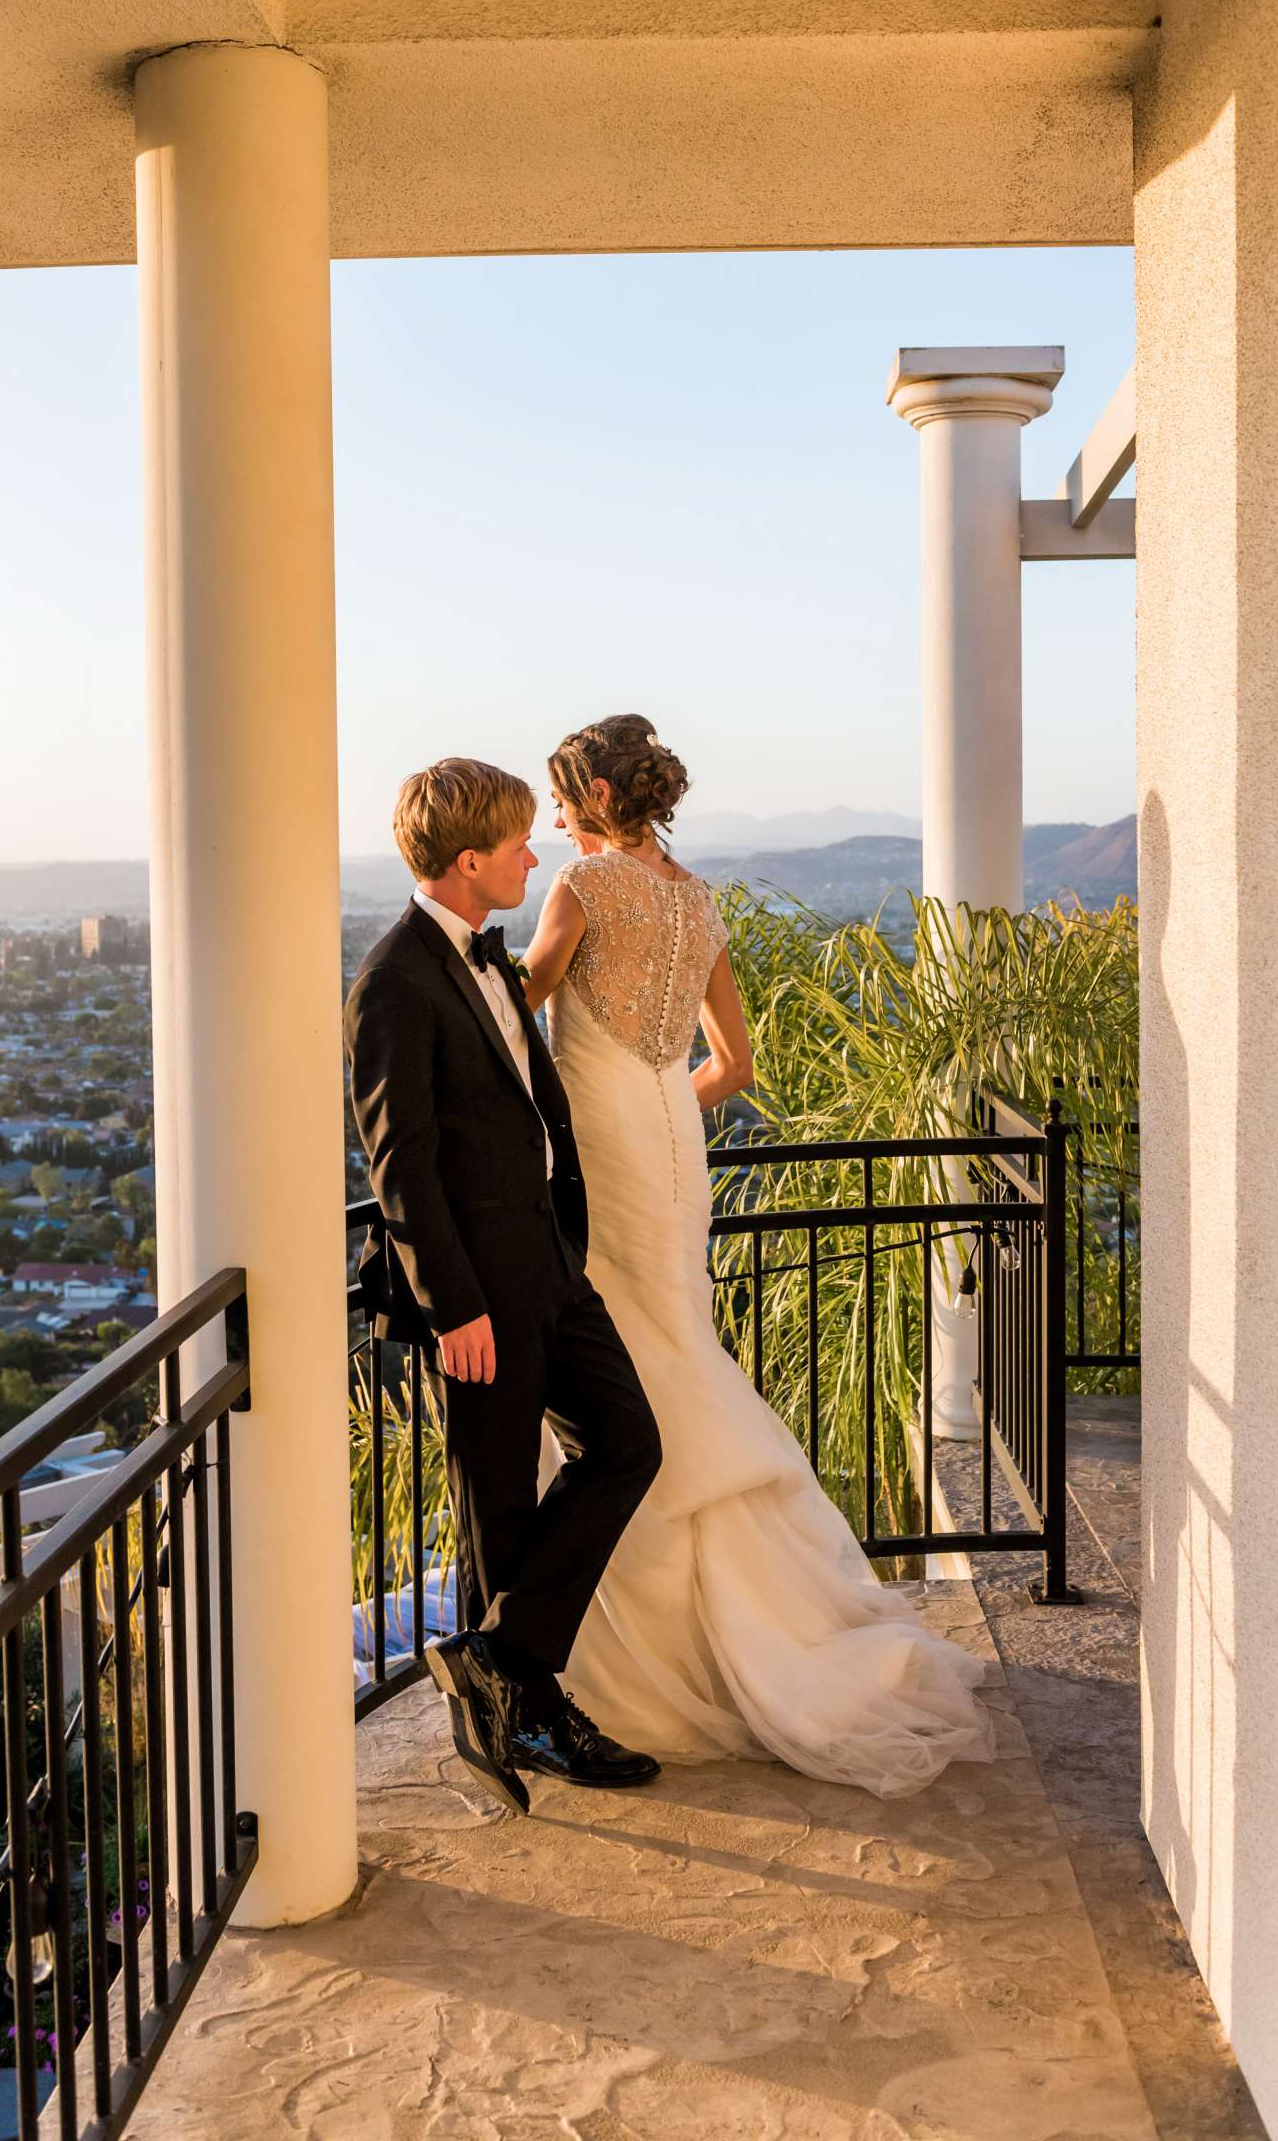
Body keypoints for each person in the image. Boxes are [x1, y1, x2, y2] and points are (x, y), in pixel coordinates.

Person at [519, 714, 994, 1797]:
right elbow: (732, 1064)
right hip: (673, 1146)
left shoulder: (583, 891)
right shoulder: (697, 901)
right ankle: (738, 1606)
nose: (551, 819)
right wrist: (654, 1107)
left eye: (558, 798)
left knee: (623, 1363)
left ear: (594, 794)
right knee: (674, 1343)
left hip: (606, 1149)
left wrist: (596, 1108)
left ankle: (631, 1647)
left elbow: (514, 1008)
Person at [344, 757, 664, 1815]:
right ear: (470, 859)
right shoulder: (393, 981)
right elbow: (401, 1166)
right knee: (498, 1510)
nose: (538, 854)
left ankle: (501, 1659)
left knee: (628, 1443)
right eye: (522, 842)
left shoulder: (484, 959)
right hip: (480, 1291)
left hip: (553, 1270)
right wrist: (455, 1307)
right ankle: (527, 1716)